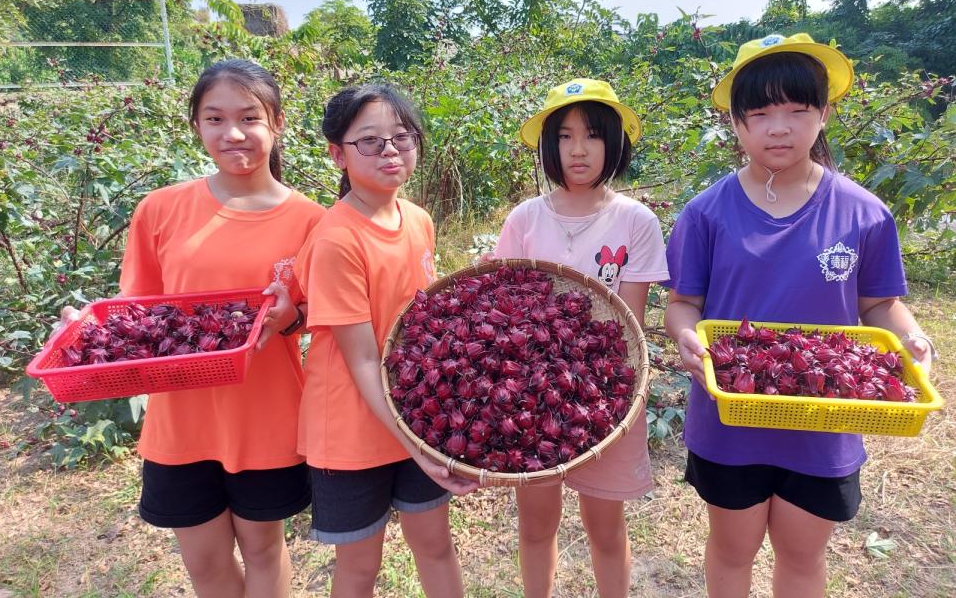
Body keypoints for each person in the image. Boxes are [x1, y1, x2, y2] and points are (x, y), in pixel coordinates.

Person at [663, 33, 938, 598]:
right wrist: (687, 338)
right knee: (732, 551)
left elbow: (879, 303)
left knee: (803, 555)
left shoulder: (864, 212)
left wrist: (909, 337)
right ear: (736, 125)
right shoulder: (705, 213)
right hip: (731, 419)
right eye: (759, 114)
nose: (778, 128)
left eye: (796, 110)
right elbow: (684, 304)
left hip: (825, 421)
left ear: (825, 114)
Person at [54, 59, 326, 597]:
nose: (233, 133)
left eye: (249, 117)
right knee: (203, 562)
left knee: (264, 551)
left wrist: (289, 318)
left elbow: (317, 315)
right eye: (215, 118)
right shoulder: (160, 210)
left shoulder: (313, 221)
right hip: (182, 421)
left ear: (277, 122)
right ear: (196, 126)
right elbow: (137, 313)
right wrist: (87, 335)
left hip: (264, 415)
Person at [294, 84, 475, 598]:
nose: (390, 151)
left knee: (436, 545)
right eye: (369, 142)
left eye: (402, 137)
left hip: (416, 412)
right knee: (359, 567)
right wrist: (417, 448)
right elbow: (363, 359)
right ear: (337, 154)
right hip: (351, 429)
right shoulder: (337, 239)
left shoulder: (417, 221)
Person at [492, 78, 670, 598]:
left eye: (592, 135)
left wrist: (593, 386)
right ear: (549, 146)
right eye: (565, 136)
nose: (578, 149)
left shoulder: (635, 221)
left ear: (613, 142)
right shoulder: (525, 218)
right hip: (530, 391)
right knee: (535, 524)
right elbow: (502, 306)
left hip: (602, 393)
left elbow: (625, 325)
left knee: (605, 527)